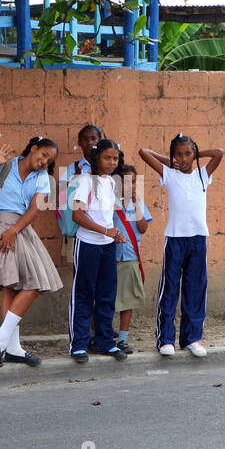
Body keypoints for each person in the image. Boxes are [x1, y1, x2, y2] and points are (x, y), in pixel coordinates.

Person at [0, 137, 62, 367]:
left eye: (49, 161)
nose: (44, 162)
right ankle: (8, 343)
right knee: (14, 285)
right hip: (1, 229)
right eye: (44, 155)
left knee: (30, 284)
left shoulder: (42, 178)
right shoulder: (6, 167)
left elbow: (35, 208)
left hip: (21, 230)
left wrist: (15, 231)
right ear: (34, 148)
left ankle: (6, 342)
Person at [138, 133, 225, 358]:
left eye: (187, 153)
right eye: (179, 154)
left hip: (198, 239)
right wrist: (170, 161)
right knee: (170, 289)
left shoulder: (202, 175)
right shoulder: (169, 174)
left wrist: (197, 154)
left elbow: (219, 154)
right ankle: (165, 339)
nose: (184, 158)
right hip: (175, 239)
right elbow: (144, 153)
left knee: (195, 289)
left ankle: (192, 338)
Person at [68, 139, 127, 363]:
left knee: (106, 295)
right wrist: (105, 230)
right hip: (87, 245)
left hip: (107, 246)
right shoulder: (86, 181)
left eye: (115, 158)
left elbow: (105, 215)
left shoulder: (110, 182)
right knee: (83, 294)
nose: (112, 162)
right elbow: (78, 216)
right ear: (97, 158)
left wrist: (115, 233)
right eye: (107, 158)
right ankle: (78, 345)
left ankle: (106, 343)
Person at [107, 150, 151, 354]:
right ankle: (103, 336)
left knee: (128, 300)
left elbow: (142, 228)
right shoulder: (109, 203)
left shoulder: (138, 204)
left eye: (133, 182)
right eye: (125, 181)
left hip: (130, 257)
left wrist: (135, 202)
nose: (129, 185)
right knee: (106, 298)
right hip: (110, 256)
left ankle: (123, 339)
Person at [58, 124, 101, 264]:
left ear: (99, 141)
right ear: (79, 143)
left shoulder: (107, 166)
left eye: (93, 138)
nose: (89, 142)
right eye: (85, 139)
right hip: (79, 226)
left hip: (103, 225)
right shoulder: (74, 168)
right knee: (80, 266)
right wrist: (75, 181)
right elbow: (62, 194)